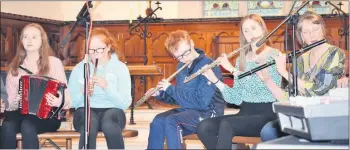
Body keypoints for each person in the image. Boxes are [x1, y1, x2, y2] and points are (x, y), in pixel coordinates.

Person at [196, 14, 286, 149]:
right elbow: (237, 99)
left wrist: (232, 70)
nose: (251, 34)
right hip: (246, 112)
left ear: (263, 29)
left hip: (267, 114)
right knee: (204, 126)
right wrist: (215, 80)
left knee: (227, 126)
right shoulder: (241, 60)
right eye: (246, 31)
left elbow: (265, 90)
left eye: (254, 28)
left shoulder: (274, 55)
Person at [260, 11, 346, 142]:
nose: (312, 35)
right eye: (306, 32)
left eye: (315, 29)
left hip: (324, 114)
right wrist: (268, 81)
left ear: (322, 30)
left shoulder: (335, 54)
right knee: (268, 130)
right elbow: (289, 97)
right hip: (302, 114)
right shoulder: (300, 60)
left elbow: (318, 91)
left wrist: (283, 72)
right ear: (301, 37)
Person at [146, 30, 225, 149]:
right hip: (189, 110)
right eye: (178, 57)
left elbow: (201, 102)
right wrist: (161, 94)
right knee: (158, 121)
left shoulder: (208, 65)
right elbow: (180, 99)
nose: (184, 59)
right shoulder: (181, 67)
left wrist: (171, 89)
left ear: (192, 43)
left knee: (173, 121)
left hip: (208, 112)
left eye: (186, 53)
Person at [0, 23, 71, 149]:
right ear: (21, 41)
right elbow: (10, 104)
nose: (29, 41)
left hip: (48, 115)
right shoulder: (14, 68)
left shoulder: (54, 63)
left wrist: (58, 100)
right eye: (25, 37)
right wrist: (12, 103)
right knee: (7, 126)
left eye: (34, 37)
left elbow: (66, 96)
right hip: (20, 113)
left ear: (42, 40)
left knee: (27, 125)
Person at [68, 28, 131, 149]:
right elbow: (70, 102)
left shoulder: (120, 68)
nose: (95, 53)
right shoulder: (79, 68)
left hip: (113, 111)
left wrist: (107, 87)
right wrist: (82, 92)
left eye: (99, 49)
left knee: (109, 123)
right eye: (91, 50)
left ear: (108, 47)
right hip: (85, 110)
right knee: (89, 123)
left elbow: (124, 103)